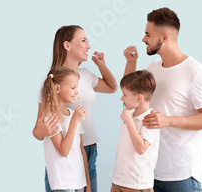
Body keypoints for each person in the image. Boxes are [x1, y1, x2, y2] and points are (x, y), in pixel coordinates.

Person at [123, 7, 202, 192]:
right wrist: (131, 63)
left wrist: (167, 121)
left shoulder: (196, 71)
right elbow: (130, 100)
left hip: (181, 176)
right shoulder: (153, 67)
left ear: (164, 37)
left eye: (148, 34)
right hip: (149, 172)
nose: (143, 39)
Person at [33, 25, 118, 192]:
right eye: (83, 40)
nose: (88, 46)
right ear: (67, 45)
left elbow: (112, 87)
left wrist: (101, 65)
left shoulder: (86, 75)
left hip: (90, 151)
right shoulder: (52, 83)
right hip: (65, 158)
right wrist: (42, 130)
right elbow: (38, 131)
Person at [41, 66, 90, 192]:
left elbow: (81, 151)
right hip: (63, 182)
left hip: (79, 180)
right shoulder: (50, 117)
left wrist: (87, 184)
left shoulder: (74, 114)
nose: (76, 92)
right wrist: (74, 121)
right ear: (57, 88)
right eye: (73, 88)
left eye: (76, 88)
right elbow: (64, 150)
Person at [111, 70, 159, 192]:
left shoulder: (150, 119)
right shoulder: (130, 116)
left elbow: (141, 148)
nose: (122, 98)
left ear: (139, 98)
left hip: (137, 184)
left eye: (125, 94)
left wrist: (129, 122)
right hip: (118, 180)